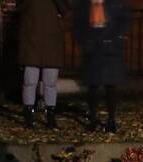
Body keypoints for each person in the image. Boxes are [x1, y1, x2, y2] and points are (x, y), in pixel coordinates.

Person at [75, 0, 129, 133]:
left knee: (110, 87)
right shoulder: (84, 5)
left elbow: (124, 20)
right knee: (93, 87)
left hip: (110, 48)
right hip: (93, 48)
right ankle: (93, 118)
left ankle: (111, 119)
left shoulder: (114, 4)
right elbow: (78, 25)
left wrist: (115, 39)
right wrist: (86, 41)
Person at [18, 0, 70, 129]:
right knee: (30, 81)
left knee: (50, 82)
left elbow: (65, 9)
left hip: (50, 40)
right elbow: (20, 7)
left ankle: (50, 116)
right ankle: (29, 115)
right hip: (32, 39)